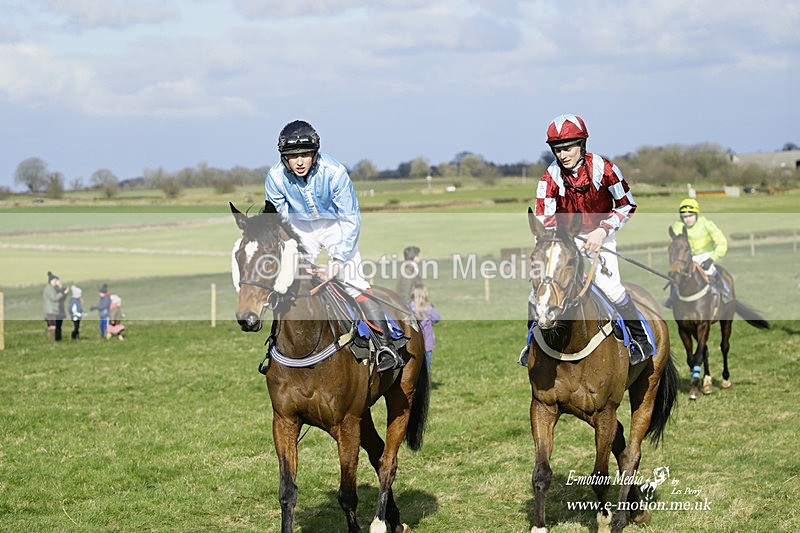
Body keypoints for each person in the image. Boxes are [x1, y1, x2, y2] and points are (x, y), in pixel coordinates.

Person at [264, 119, 404, 372]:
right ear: (283, 157)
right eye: (292, 156)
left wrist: (336, 263)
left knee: (354, 284)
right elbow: (281, 221)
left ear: (315, 154)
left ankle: (386, 347)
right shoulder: (275, 177)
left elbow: (350, 218)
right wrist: (295, 255)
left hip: (335, 226)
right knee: (286, 285)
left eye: (305, 155)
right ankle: (276, 347)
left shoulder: (335, 171)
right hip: (300, 228)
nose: (299, 162)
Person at [522, 113, 655, 365]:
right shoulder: (549, 177)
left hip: (600, 236)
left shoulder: (605, 169)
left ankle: (641, 340)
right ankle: (531, 346)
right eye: (557, 149)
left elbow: (627, 204)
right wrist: (564, 241)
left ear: (581, 145)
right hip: (564, 241)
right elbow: (544, 216)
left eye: (568, 148)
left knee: (612, 290)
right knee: (536, 295)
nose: (563, 155)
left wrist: (603, 230)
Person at [664, 198, 730, 307]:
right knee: (676, 274)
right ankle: (672, 297)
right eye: (685, 217)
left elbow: (722, 243)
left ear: (696, 214)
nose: (688, 219)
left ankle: (725, 293)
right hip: (687, 258)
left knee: (711, 271)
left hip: (706, 255)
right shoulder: (678, 226)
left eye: (691, 216)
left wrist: (711, 258)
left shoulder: (707, 224)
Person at [410, 284, 440, 371]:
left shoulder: (409, 308)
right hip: (427, 344)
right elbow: (437, 318)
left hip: (413, 344)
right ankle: (425, 384)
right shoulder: (428, 309)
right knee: (426, 368)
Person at [43, 271, 68, 343]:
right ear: (51, 281)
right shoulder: (49, 289)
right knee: (52, 326)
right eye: (55, 280)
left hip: (54, 310)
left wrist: (62, 291)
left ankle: (56, 340)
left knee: (56, 326)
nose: (56, 282)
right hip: (50, 310)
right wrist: (62, 293)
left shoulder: (53, 288)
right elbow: (54, 298)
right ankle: (51, 341)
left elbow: (61, 298)